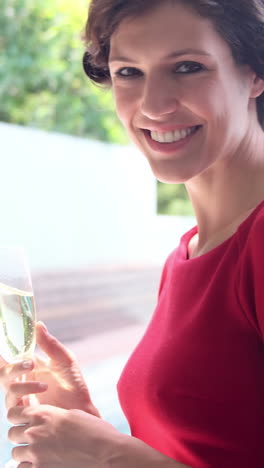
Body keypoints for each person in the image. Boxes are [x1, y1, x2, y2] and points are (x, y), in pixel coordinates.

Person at [1, 0, 264, 466]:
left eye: (187, 67)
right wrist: (84, 425)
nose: (153, 104)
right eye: (128, 73)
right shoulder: (189, 252)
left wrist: (109, 457)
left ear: (254, 73)